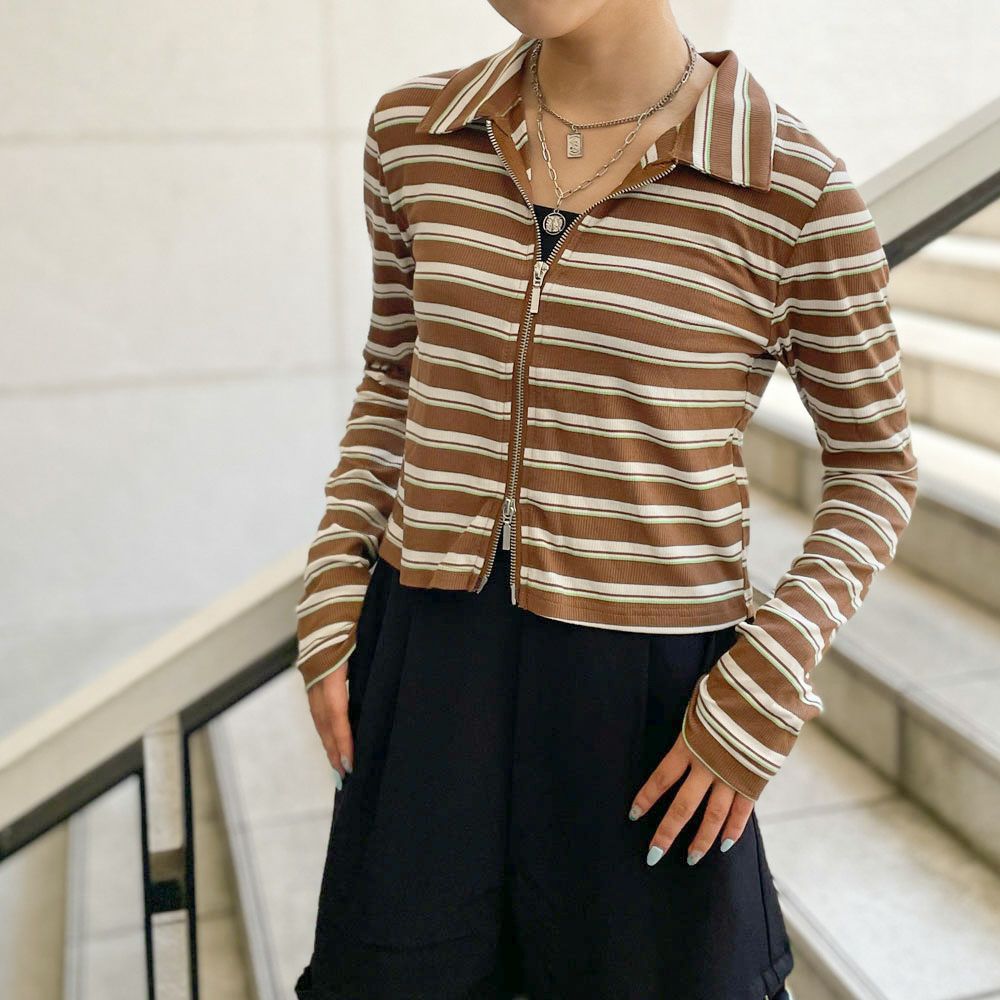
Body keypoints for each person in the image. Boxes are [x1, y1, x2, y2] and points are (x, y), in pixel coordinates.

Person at [293, 1, 919, 997]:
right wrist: (335, 584)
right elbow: (396, 372)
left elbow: (875, 466)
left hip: (649, 706)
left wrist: (766, 680)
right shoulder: (415, 136)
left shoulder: (790, 186)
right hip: (430, 666)